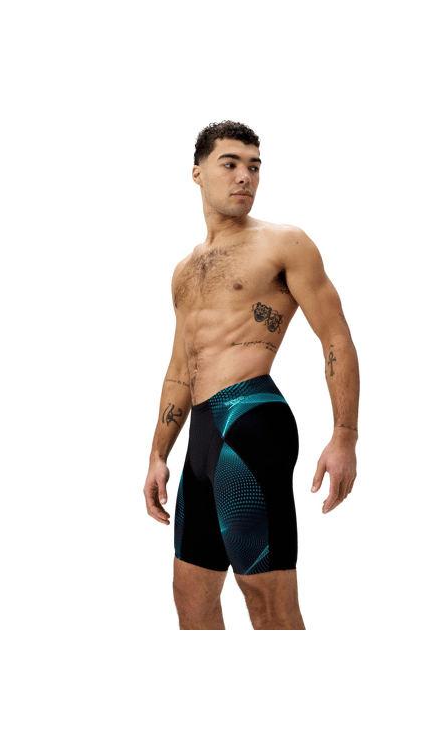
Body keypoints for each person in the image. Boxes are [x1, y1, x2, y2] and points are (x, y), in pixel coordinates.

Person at [143, 120, 360, 630]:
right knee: (191, 598)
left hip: (252, 422)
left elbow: (335, 337)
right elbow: (180, 369)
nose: (246, 176)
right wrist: (157, 454)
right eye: (231, 164)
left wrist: (344, 436)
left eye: (254, 166)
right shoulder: (184, 270)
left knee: (268, 604)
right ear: (197, 173)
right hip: (202, 436)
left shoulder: (283, 243)